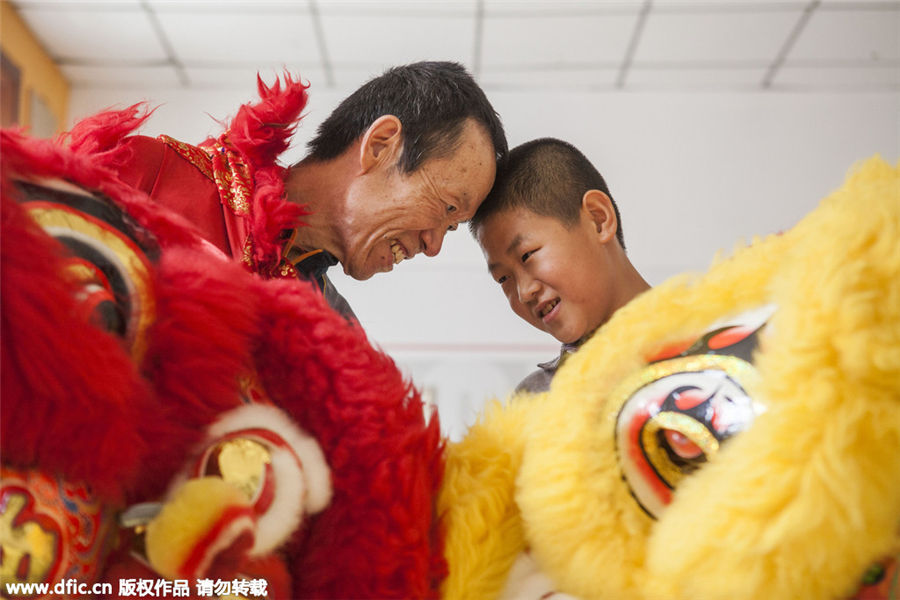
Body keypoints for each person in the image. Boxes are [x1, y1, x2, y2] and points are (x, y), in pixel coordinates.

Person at [79, 61, 506, 318]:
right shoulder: (146, 173)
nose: (433, 247)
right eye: (447, 207)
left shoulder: (334, 336)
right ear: (380, 146)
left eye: (452, 228)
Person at [470, 137, 651, 393]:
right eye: (503, 279)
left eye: (527, 256)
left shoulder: (711, 342)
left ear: (598, 220)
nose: (524, 292)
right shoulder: (534, 401)